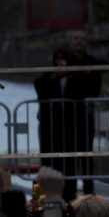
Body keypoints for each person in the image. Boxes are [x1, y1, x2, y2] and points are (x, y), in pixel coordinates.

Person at [34, 48, 77, 201]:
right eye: (57, 59)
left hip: (70, 124)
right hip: (49, 125)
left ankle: (70, 192)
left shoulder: (74, 76)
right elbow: (40, 89)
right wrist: (54, 77)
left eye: (63, 59)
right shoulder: (46, 77)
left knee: (70, 159)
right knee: (49, 158)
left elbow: (81, 91)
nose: (60, 63)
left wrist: (69, 76)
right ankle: (48, 191)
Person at [65, 30, 103, 197]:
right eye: (76, 38)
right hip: (66, 115)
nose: (79, 41)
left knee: (87, 154)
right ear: (70, 41)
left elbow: (95, 88)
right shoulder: (64, 60)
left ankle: (89, 193)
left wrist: (76, 79)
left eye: (83, 39)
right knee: (68, 155)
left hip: (85, 114)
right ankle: (69, 193)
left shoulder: (91, 62)